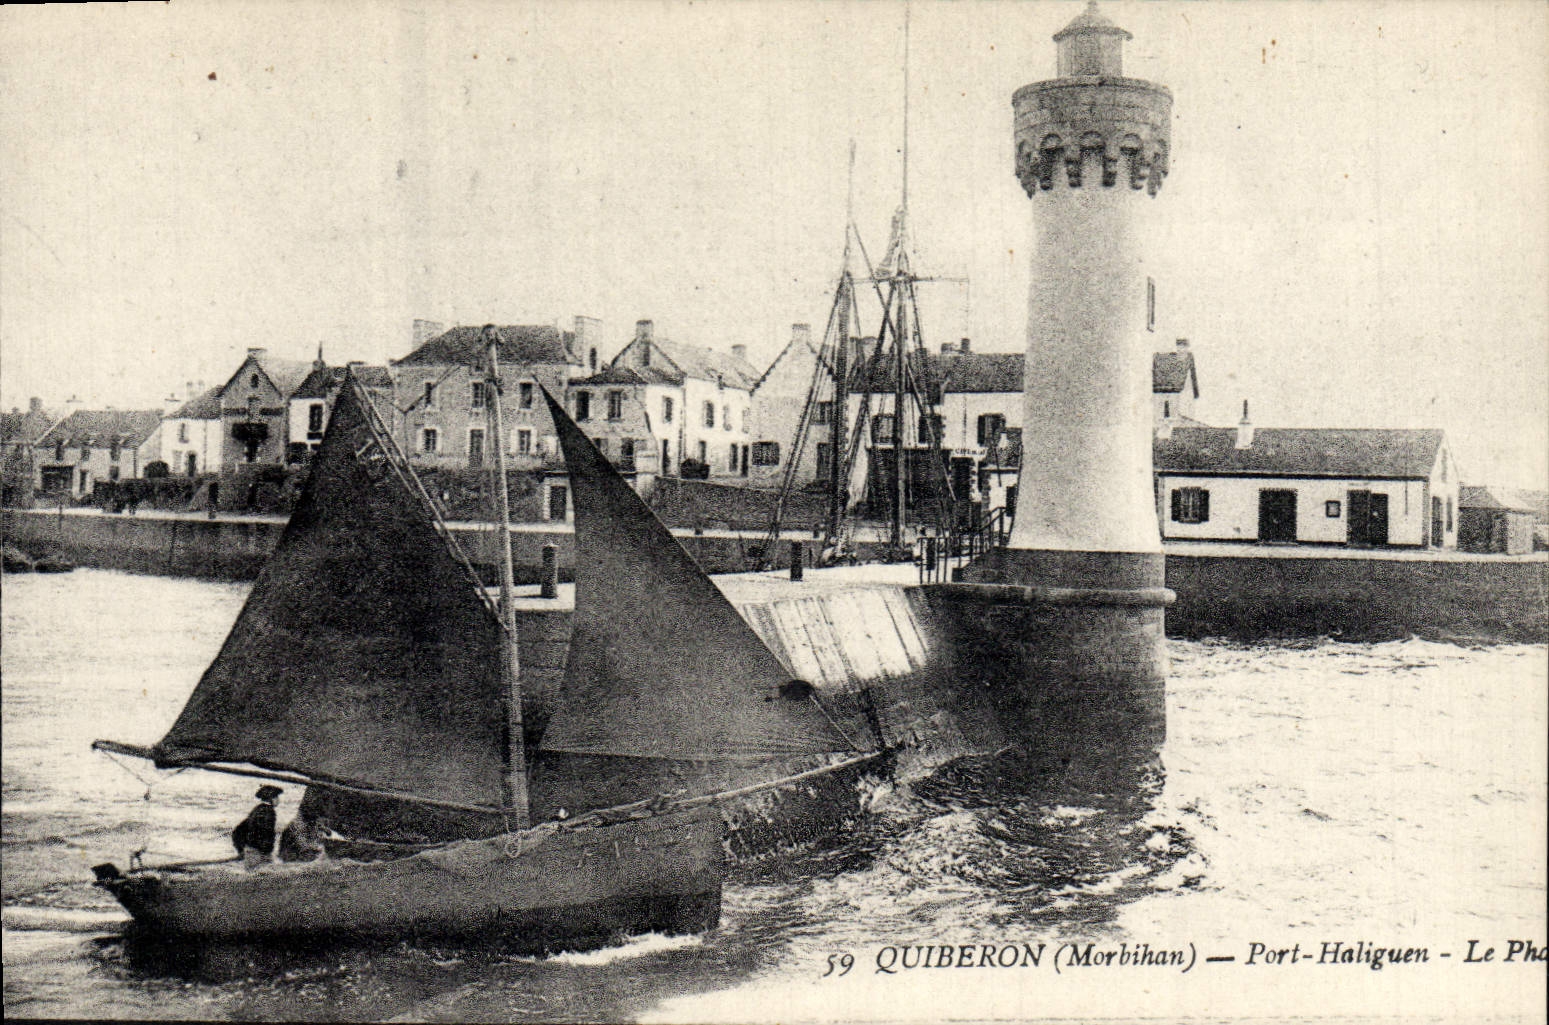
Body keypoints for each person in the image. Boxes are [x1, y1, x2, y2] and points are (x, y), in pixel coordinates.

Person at [232, 785, 282, 869]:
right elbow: (266, 833)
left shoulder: (257, 809)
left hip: (251, 851)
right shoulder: (268, 811)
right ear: (271, 799)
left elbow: (238, 831)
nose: (278, 800)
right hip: (259, 853)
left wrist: (241, 849)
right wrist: (266, 850)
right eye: (276, 797)